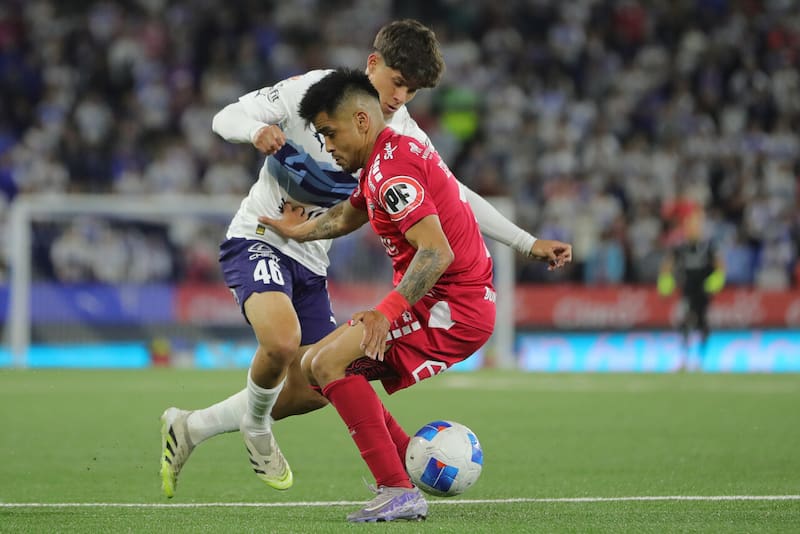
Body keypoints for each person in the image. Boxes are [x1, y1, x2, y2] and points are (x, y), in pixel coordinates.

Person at [160, 20, 567, 499]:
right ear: (372, 64)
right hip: (262, 235)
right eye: (397, 82)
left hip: (311, 258)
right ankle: (309, 447)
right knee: (287, 343)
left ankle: (190, 428)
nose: (401, 98)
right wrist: (256, 131)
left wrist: (523, 242)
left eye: (412, 91)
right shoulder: (309, 92)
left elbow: (455, 196)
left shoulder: (400, 136)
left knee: (316, 382)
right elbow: (223, 117)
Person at [258, 68, 572, 522]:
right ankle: (407, 460)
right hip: (441, 301)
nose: (326, 146)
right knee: (315, 365)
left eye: (330, 133)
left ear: (362, 121)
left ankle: (397, 488)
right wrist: (298, 230)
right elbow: (347, 217)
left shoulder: (390, 174)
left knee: (327, 363)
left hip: (451, 308)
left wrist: (386, 312)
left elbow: (435, 252)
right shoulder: (385, 159)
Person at [657, 209, 725, 369]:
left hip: (703, 291)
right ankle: (684, 358)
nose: (692, 229)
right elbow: (668, 265)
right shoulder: (680, 247)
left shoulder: (708, 246)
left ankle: (700, 359)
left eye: (695, 225)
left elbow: (719, 265)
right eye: (689, 226)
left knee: (702, 323)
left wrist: (716, 281)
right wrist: (665, 282)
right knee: (685, 322)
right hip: (686, 290)